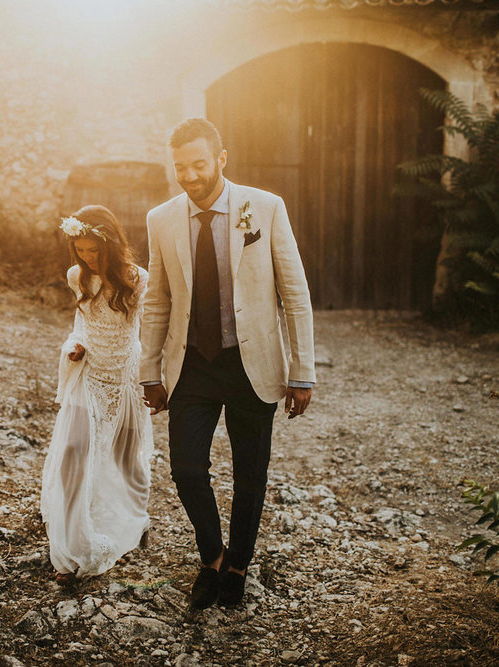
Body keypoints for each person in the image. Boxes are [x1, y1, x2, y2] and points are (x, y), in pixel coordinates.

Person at [140, 118, 315, 609]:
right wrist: (149, 372)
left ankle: (238, 565)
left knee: (250, 473)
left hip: (251, 364)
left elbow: (294, 295)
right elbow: (157, 301)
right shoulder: (161, 218)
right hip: (192, 363)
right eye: (180, 167)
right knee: (186, 468)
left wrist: (302, 373)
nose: (190, 176)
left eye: (199, 164)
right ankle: (211, 555)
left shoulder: (264, 208)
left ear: (221, 158)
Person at [41, 204, 153, 584]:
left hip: (125, 378)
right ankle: (76, 544)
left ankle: (137, 521)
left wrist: (156, 377)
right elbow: (81, 324)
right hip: (88, 376)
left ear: (111, 244)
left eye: (94, 250)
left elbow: (149, 332)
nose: (87, 258)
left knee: (127, 459)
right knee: (73, 451)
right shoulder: (77, 276)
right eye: (81, 250)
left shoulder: (137, 279)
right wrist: (76, 345)